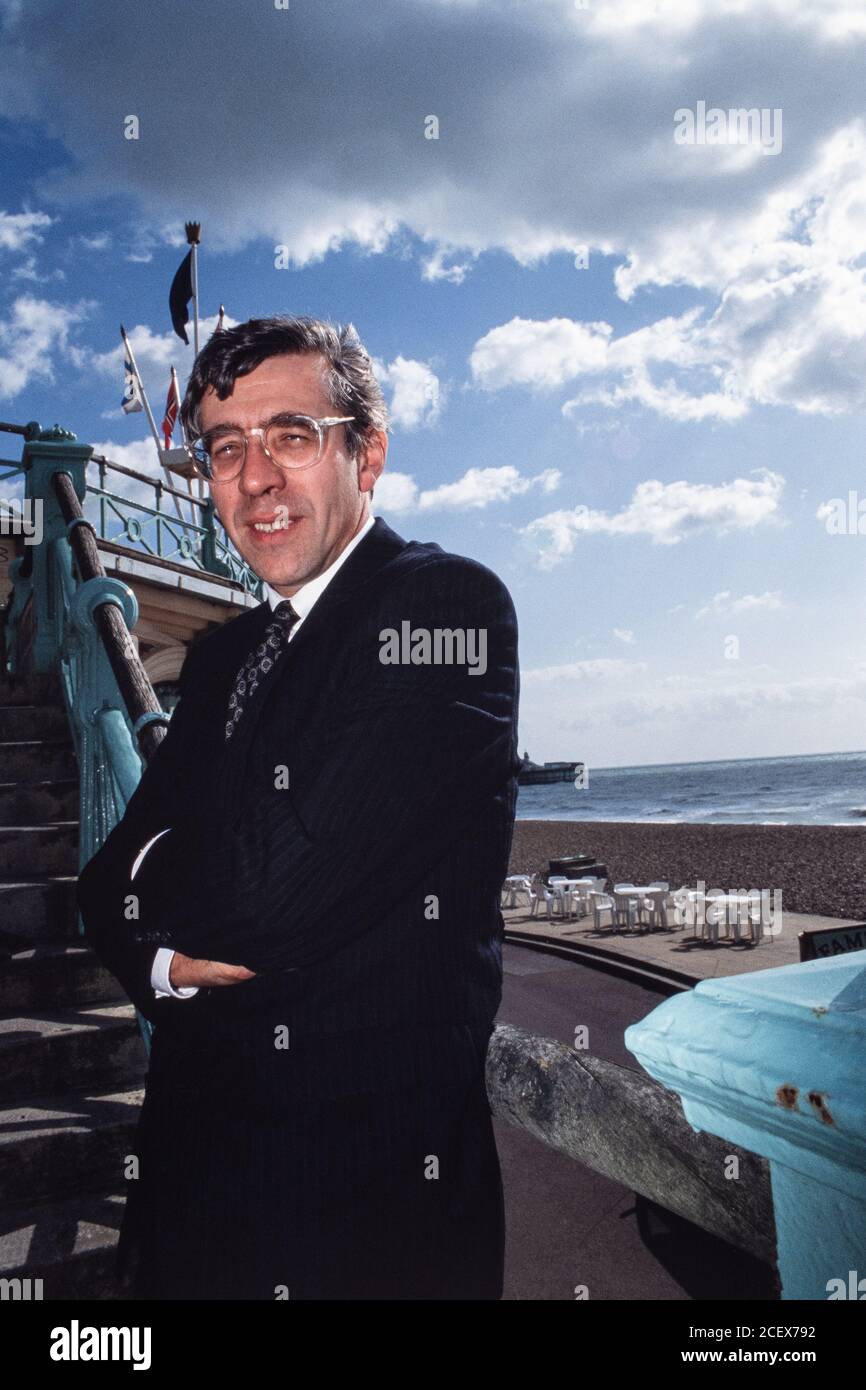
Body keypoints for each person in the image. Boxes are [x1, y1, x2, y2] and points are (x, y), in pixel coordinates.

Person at [76, 315, 521, 1300]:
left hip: (364, 1220)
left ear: (368, 452)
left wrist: (169, 871)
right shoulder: (222, 655)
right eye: (226, 447)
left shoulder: (442, 610)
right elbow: (105, 884)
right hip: (190, 1200)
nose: (256, 478)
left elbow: (274, 894)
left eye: (292, 435)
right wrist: (164, 936)